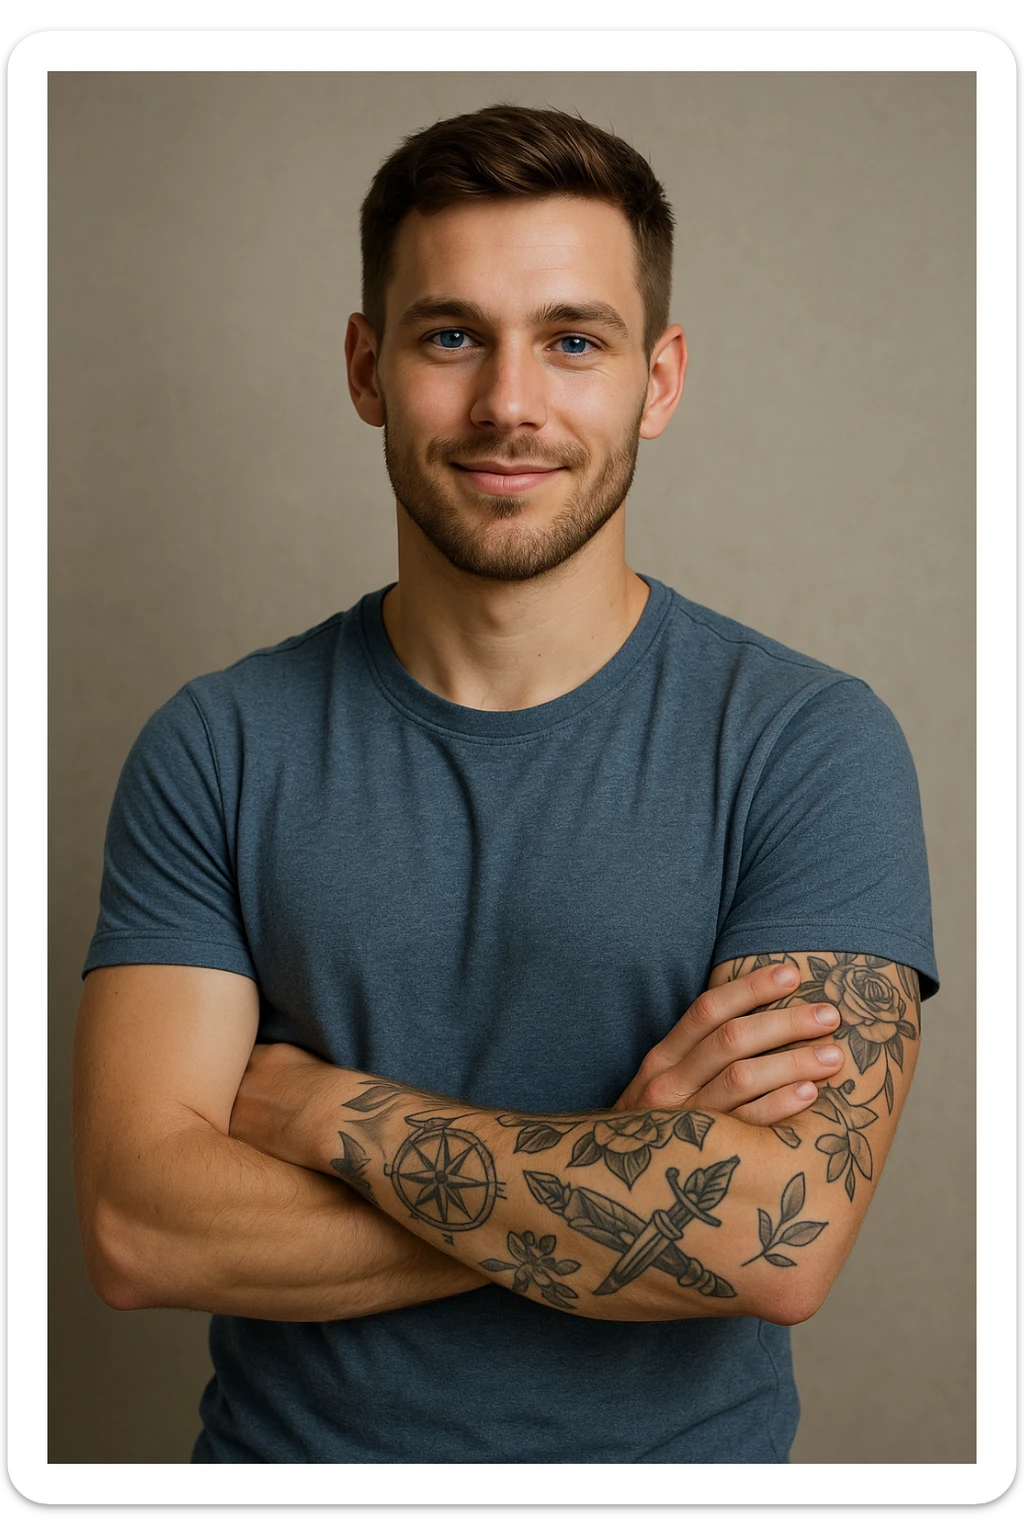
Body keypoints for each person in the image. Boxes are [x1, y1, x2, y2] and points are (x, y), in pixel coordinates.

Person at [72, 105, 938, 1465]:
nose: (510, 405)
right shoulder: (219, 745)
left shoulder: (809, 743)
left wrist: (322, 1114)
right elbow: (141, 1225)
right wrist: (624, 1167)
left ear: (659, 381)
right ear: (368, 367)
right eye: (451, 335)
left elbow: (778, 1240)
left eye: (573, 339)